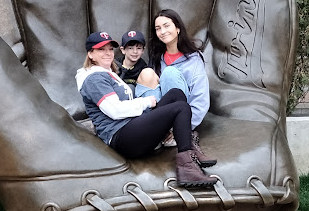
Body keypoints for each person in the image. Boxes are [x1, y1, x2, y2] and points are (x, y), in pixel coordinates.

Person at [76, 31, 217, 187]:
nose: (108, 53)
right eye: (101, 49)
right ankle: (187, 169)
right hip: (122, 138)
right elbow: (115, 111)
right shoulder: (94, 78)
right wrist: (145, 102)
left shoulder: (108, 73)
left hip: (132, 128)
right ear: (90, 54)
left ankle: (187, 146)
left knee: (175, 94)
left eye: (110, 49)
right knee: (181, 108)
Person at [148, 9, 214, 163]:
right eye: (158, 29)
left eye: (166, 26)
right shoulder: (157, 57)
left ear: (177, 28)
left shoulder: (193, 59)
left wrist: (183, 127)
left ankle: (170, 132)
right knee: (146, 75)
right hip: (161, 114)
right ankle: (155, 131)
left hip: (181, 116)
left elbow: (200, 98)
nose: (162, 32)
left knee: (170, 73)